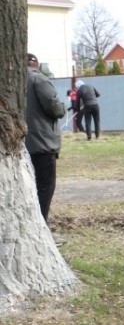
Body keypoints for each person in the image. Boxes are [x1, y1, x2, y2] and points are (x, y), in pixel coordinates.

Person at [25, 53, 66, 223]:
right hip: (42, 143)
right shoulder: (38, 79)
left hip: (21, 144)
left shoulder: (13, 81)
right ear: (37, 64)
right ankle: (41, 226)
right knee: (45, 187)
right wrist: (62, 107)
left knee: (28, 187)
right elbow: (55, 108)